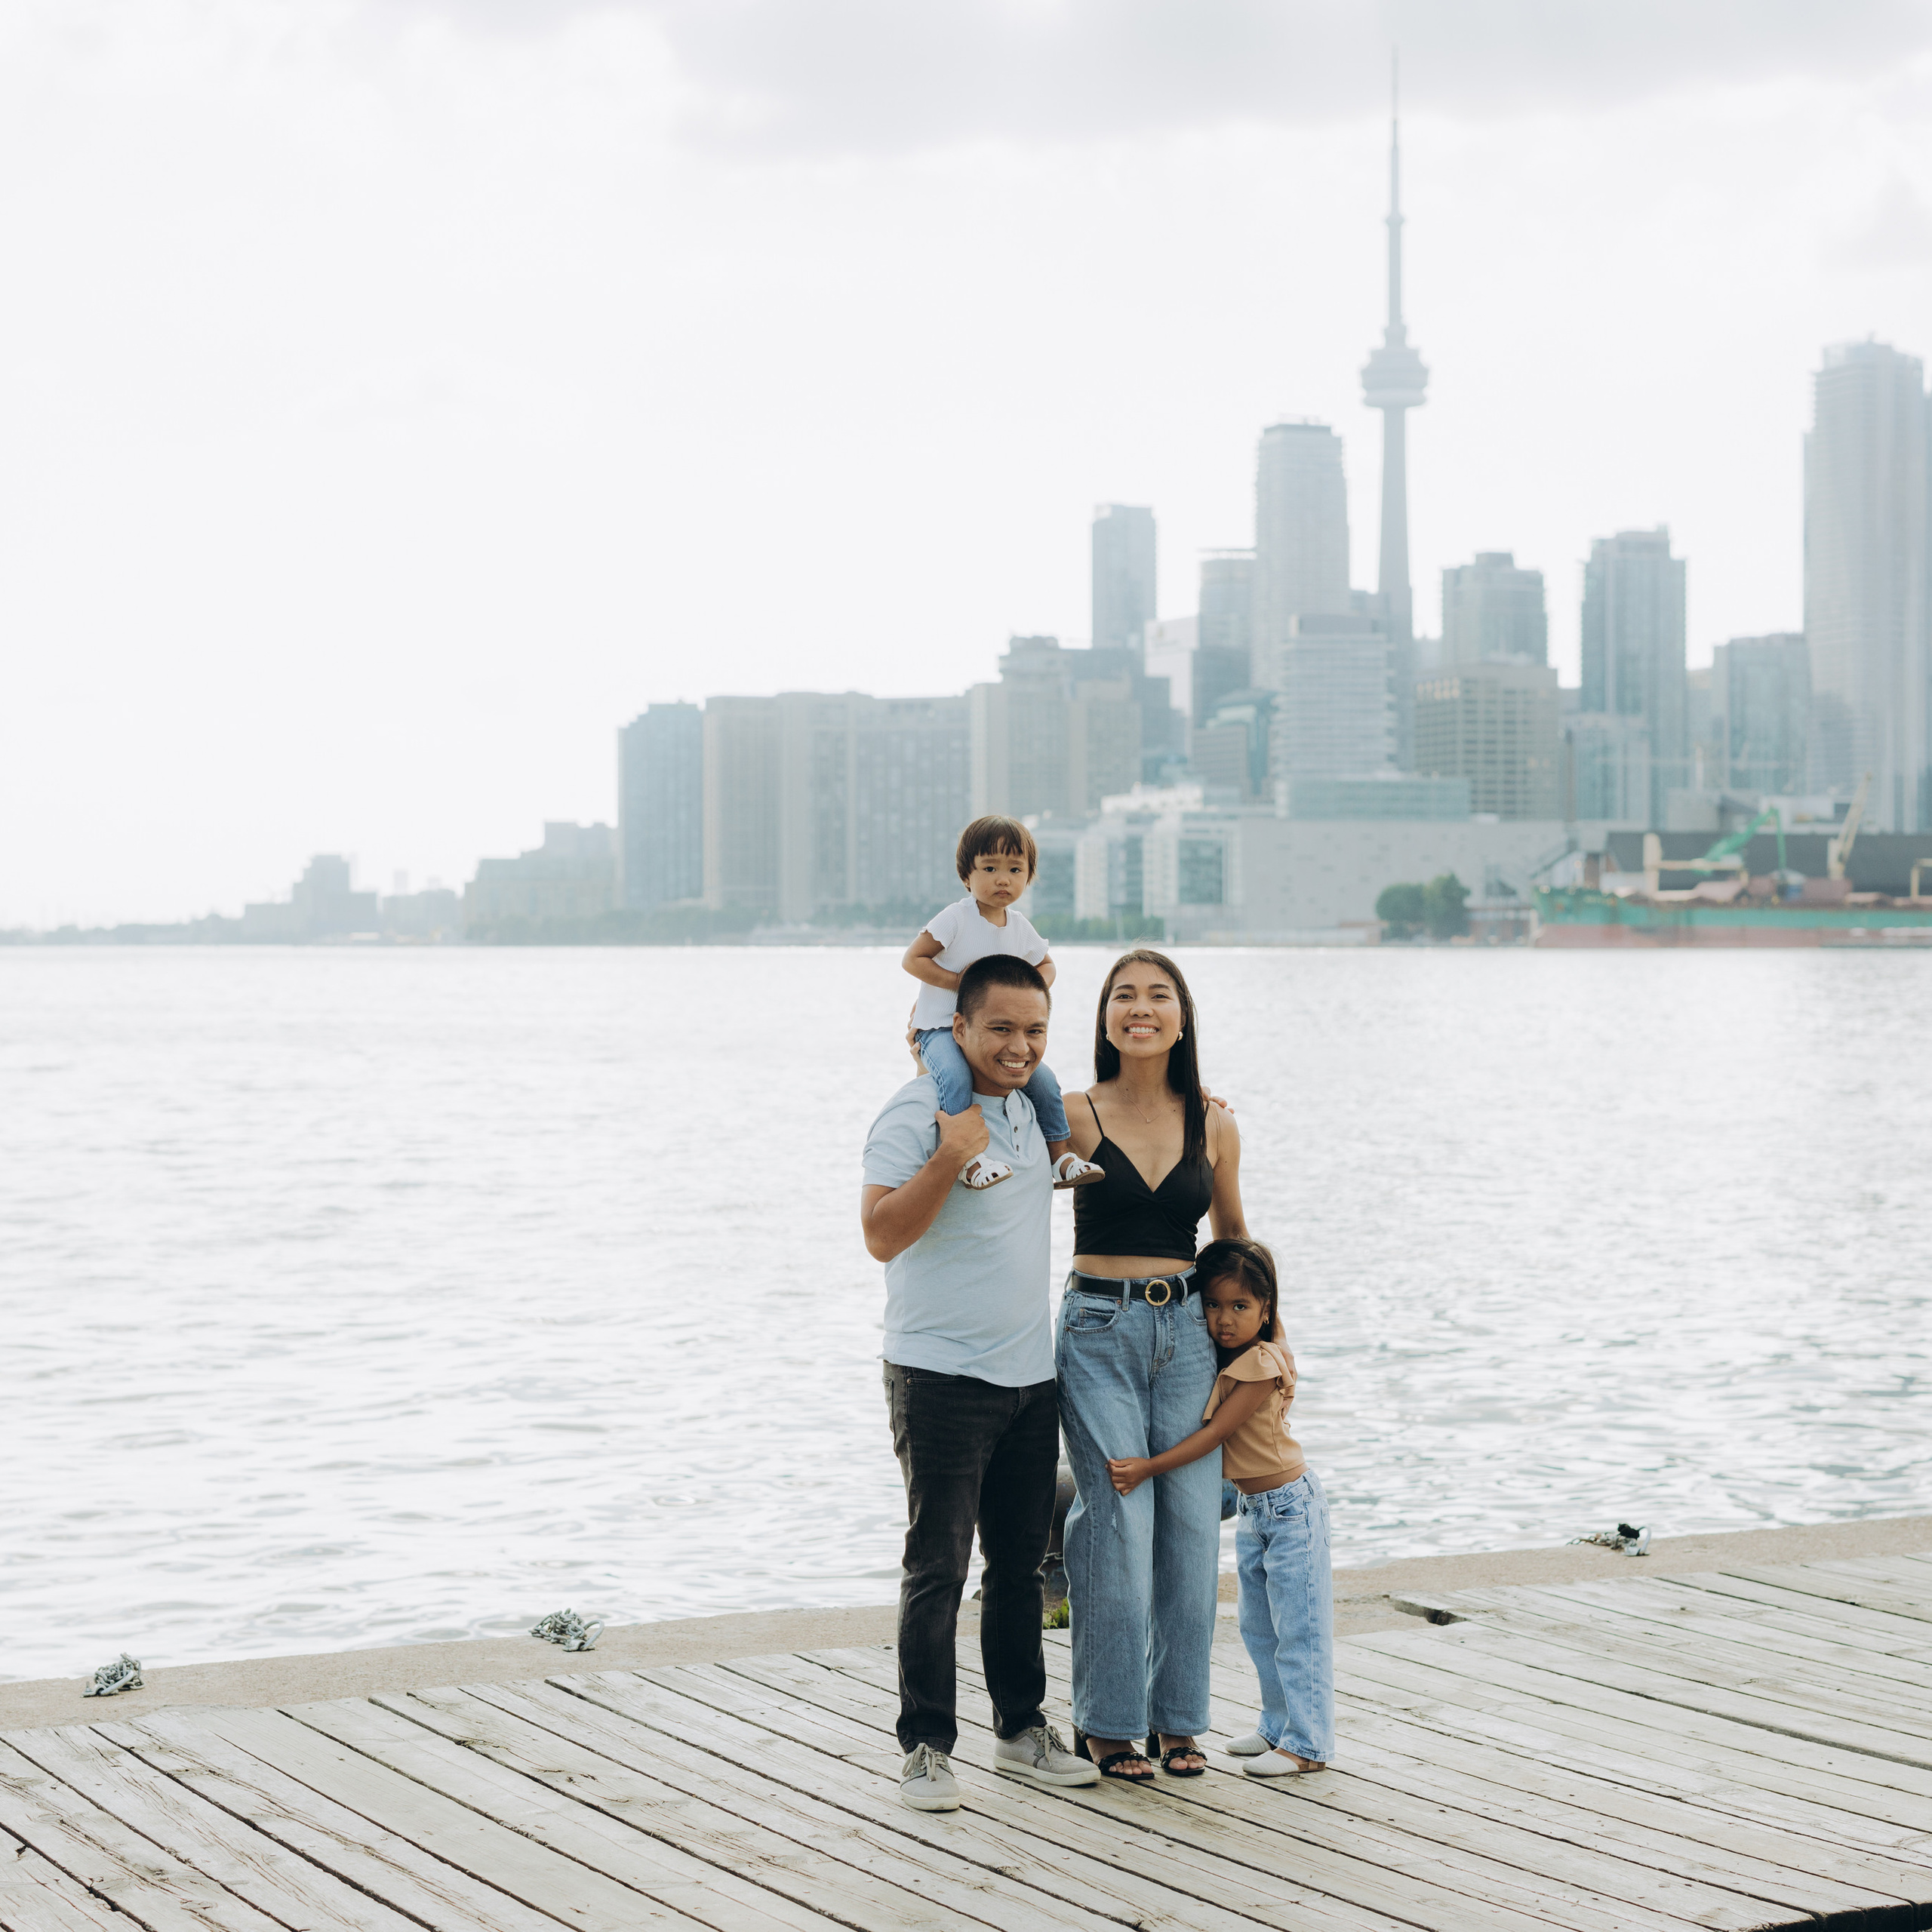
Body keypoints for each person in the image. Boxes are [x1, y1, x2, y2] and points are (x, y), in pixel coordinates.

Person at [861, 952, 1100, 1813]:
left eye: (1034, 1030)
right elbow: (880, 1234)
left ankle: (1021, 1728)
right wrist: (947, 1156)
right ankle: (926, 1747)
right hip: (936, 1376)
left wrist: (1203, 1104)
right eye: (999, 1027)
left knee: (1018, 1568)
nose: (1018, 1045)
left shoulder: (1043, 1116)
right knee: (938, 1566)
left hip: (1029, 1377)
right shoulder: (920, 1109)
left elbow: (1141, 1113)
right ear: (956, 1028)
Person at [1056, 948, 1246, 1783]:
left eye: (1158, 995)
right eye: (1123, 995)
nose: (1141, 1007)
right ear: (1103, 1018)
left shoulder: (1214, 1120)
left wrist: (1264, 1350)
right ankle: (1106, 1722)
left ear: (1181, 1016)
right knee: (1118, 1520)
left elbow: (1233, 1242)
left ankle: (1177, 1719)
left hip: (1190, 1336)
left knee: (1193, 1525)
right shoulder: (1072, 1110)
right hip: (1098, 1327)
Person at [1106, 1235, 1333, 1777]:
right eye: (1212, 1304)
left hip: (1291, 1509)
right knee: (1260, 1629)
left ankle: (1308, 1746)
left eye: (1240, 1307)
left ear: (1266, 1309)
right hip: (1256, 1513)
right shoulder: (1237, 1353)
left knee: (1299, 1630)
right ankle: (1276, 1726)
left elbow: (1213, 1437)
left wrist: (1147, 1467)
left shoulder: (1259, 1364)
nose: (1224, 1319)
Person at [900, 815, 1102, 1192]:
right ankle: (967, 1157)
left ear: (1028, 877)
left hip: (996, 1035)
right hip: (941, 1028)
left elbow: (1047, 964)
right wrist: (960, 983)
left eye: (1015, 869)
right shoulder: (956, 919)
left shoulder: (1020, 926)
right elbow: (914, 959)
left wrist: (1025, 991)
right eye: (989, 868)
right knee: (956, 1077)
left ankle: (1059, 1156)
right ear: (967, 875)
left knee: (1044, 1080)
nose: (1003, 879)